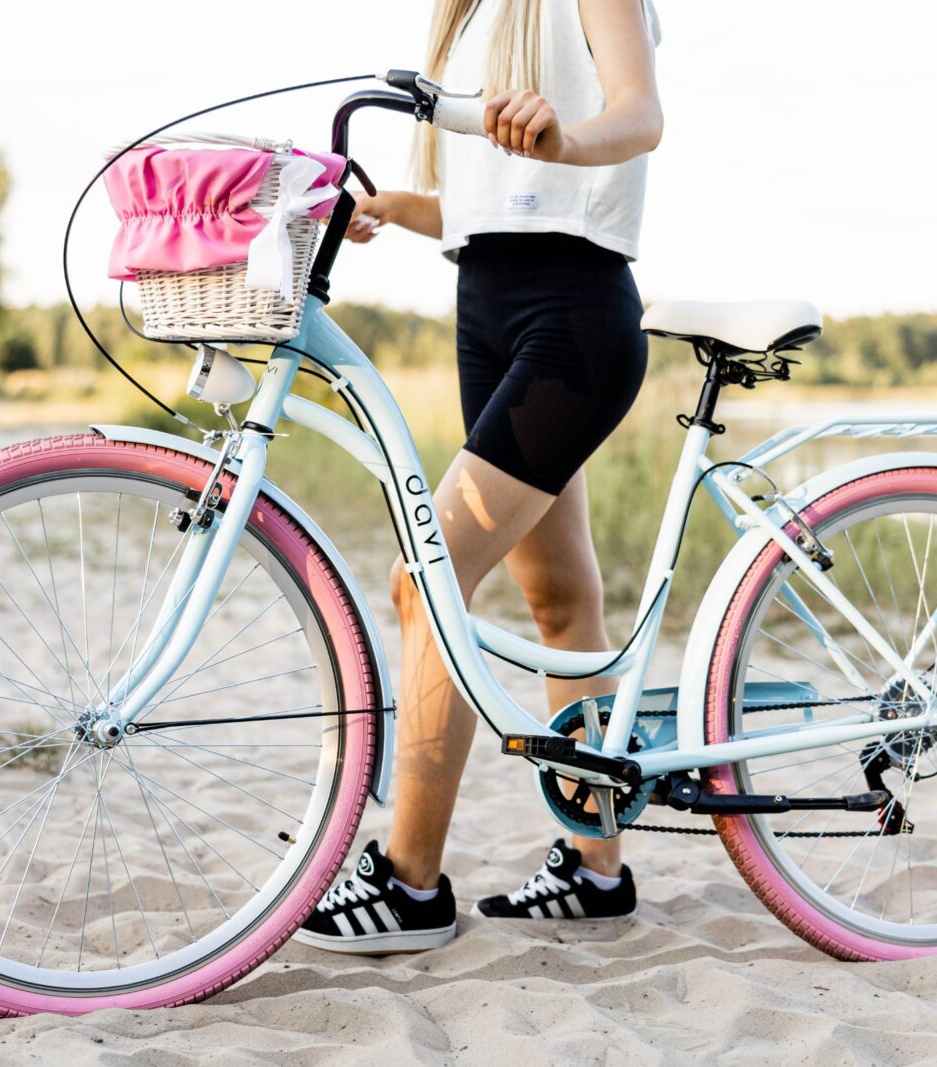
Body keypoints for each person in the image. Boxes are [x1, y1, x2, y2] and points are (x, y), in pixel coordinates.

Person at [294, 0, 663, 954]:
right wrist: (389, 207)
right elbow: (484, 206)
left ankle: (411, 882)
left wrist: (565, 137)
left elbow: (641, 114)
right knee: (558, 598)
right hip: (486, 308)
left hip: (573, 318)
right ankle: (596, 868)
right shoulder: (466, 15)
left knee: (430, 580)